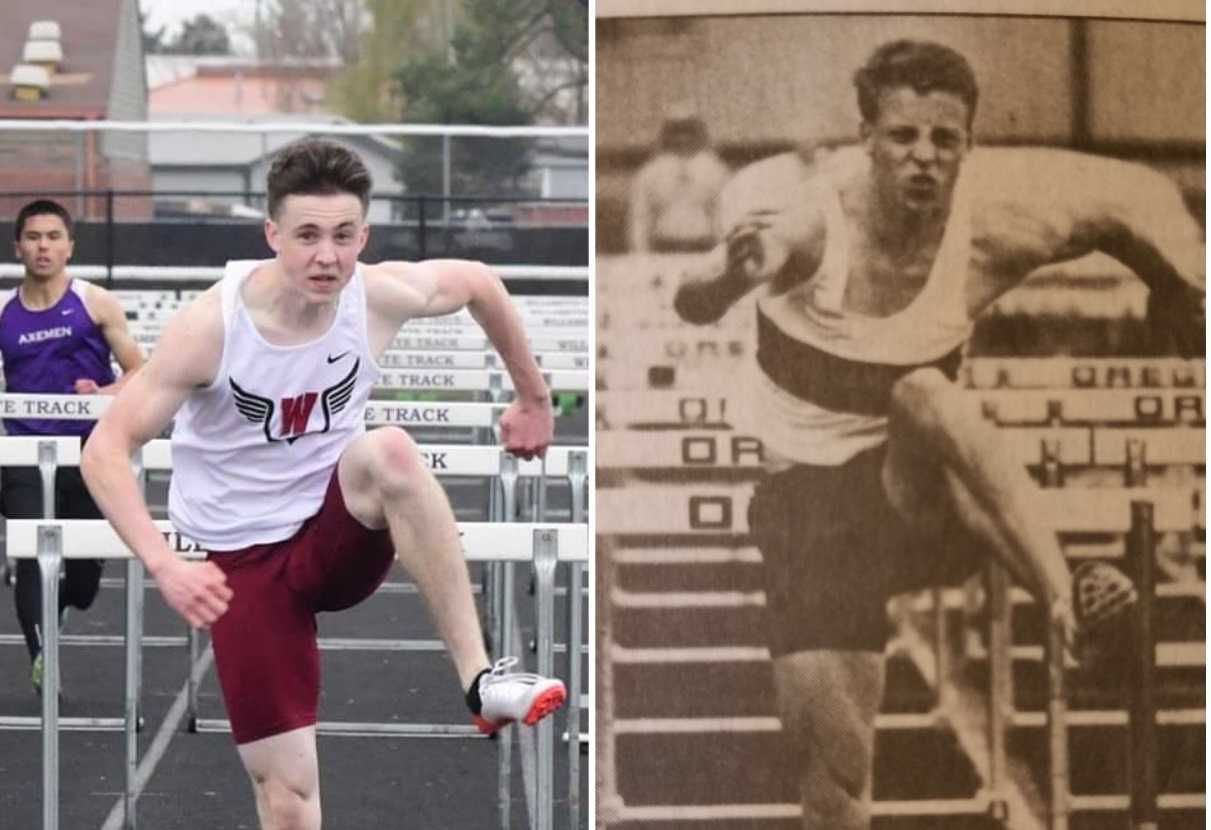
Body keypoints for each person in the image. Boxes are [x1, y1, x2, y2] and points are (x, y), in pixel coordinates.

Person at [673, 40, 1204, 829]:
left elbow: (1137, 195)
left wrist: (1180, 283)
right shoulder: (813, 225)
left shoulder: (1000, 226)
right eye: (901, 138)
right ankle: (1063, 596)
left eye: (943, 140)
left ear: (966, 146)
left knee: (923, 393)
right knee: (834, 789)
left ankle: (1066, 606)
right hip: (811, 517)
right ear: (866, 140)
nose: (922, 158)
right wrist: (725, 277)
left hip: (925, 497)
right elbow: (698, 295)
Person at [80, 139, 567, 829]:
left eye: (343, 236)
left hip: (332, 532)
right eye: (306, 236)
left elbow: (479, 281)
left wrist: (534, 398)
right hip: (242, 569)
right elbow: (104, 451)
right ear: (271, 234)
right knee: (289, 799)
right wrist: (163, 561)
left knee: (388, 450)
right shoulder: (212, 327)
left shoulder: (375, 296)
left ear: (363, 236)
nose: (326, 257)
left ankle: (481, 680)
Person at [0, 199, 144, 695]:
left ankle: (67, 597)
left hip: (88, 452)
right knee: (31, 555)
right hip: (23, 451)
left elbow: (141, 373)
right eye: (34, 237)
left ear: (69, 247)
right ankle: (43, 657)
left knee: (81, 586)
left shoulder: (95, 302)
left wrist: (102, 394)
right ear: (18, 245)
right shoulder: (2, 310)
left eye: (53, 237)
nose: (43, 246)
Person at [628, 103, 730, 253]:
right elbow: (640, 219)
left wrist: (723, 253)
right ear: (666, 135)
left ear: (699, 133)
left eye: (689, 131)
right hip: (663, 249)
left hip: (703, 248)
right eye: (676, 132)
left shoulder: (717, 171)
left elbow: (723, 216)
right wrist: (640, 256)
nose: (682, 138)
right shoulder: (649, 173)